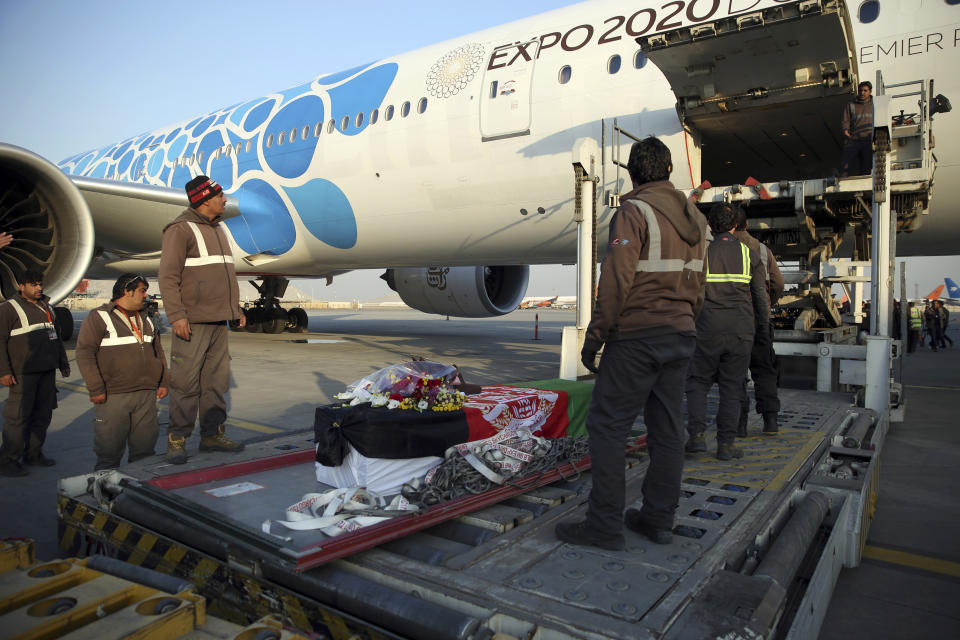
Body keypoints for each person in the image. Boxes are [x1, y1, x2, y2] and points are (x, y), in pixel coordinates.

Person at [555, 137, 707, 549]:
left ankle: (603, 526)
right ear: (669, 170)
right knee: (668, 430)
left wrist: (596, 335)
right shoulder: (696, 217)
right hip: (680, 336)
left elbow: (618, 280)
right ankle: (658, 520)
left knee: (607, 427)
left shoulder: (634, 210)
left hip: (638, 336)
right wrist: (684, 322)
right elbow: (699, 283)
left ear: (633, 173)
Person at [158, 175, 246, 464]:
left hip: (219, 321)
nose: (224, 200)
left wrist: (236, 310)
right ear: (205, 199)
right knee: (185, 384)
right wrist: (177, 316)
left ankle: (212, 435)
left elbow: (224, 277)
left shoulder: (218, 230)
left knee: (216, 383)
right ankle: (177, 440)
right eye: (220, 195)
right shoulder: (180, 229)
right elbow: (168, 277)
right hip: (193, 322)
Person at [685, 204, 769, 460]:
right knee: (732, 388)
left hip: (706, 329)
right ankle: (726, 444)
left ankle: (697, 439)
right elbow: (760, 296)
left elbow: (688, 294)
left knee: (698, 383)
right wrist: (763, 327)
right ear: (735, 226)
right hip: (740, 331)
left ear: (710, 226)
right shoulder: (749, 255)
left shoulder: (701, 255)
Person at [75, 274, 169, 470]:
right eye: (142, 290)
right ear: (128, 291)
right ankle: (105, 496)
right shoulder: (99, 317)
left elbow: (157, 351)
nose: (146, 295)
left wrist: (163, 381)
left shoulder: (147, 319)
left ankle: (138, 492)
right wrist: (95, 388)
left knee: (144, 452)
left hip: (145, 395)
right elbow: (84, 353)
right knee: (109, 452)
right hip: (114, 396)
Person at [0, 268, 70, 477]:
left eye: (40, 283)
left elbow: (56, 337)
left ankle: (33, 453)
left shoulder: (46, 306)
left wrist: (63, 363)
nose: (39, 288)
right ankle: (7, 460)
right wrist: (4, 371)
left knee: (43, 414)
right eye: (34, 284)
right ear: (21, 286)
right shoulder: (9, 308)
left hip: (47, 371)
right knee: (18, 417)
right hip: (23, 372)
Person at [732, 207, 784, 435]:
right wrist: (767, 303)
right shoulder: (762, 250)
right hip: (760, 320)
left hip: (734, 322)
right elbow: (778, 284)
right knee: (765, 371)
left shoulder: (719, 249)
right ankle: (770, 421)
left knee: (735, 374)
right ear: (746, 224)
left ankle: (740, 425)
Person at [841, 81, 874, 177]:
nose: (862, 93)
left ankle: (865, 188)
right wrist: (845, 130)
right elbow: (845, 120)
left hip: (868, 140)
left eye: (865, 90)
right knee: (847, 163)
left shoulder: (875, 104)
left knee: (866, 166)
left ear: (870, 92)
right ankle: (844, 184)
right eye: (860, 90)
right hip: (854, 139)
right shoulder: (851, 105)